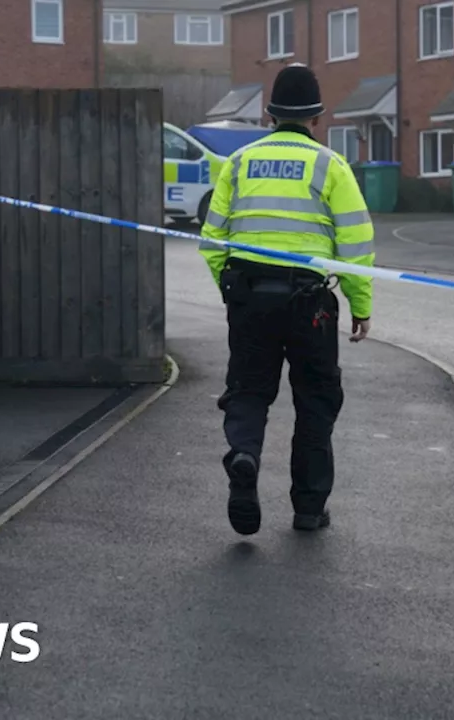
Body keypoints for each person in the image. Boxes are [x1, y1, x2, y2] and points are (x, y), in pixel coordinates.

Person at [198, 62, 375, 536]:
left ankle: (244, 455)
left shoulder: (239, 163)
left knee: (249, 390)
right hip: (309, 303)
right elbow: (356, 244)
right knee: (315, 401)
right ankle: (309, 509)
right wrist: (361, 306)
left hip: (250, 297)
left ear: (269, 115)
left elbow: (212, 239)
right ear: (317, 117)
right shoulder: (330, 165)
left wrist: (230, 291)